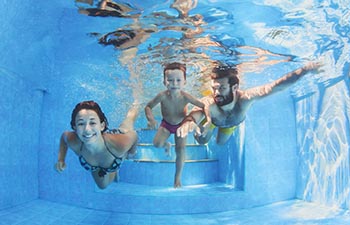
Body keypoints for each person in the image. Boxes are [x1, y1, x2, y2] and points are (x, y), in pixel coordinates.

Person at [176, 61, 322, 145]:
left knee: (220, 143)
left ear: (235, 87)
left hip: (231, 124)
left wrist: (305, 70)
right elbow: (194, 114)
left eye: (222, 88)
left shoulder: (245, 99)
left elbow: (276, 86)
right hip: (213, 120)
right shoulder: (210, 103)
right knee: (201, 141)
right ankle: (211, 125)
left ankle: (219, 128)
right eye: (214, 88)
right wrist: (188, 123)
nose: (216, 93)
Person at [144, 62, 211, 188]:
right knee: (157, 144)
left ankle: (177, 179)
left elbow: (204, 105)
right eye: (170, 80)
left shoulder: (186, 97)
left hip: (181, 125)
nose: (174, 83)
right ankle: (166, 144)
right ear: (164, 82)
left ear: (184, 81)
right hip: (166, 124)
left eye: (178, 80)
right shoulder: (162, 96)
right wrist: (151, 119)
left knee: (180, 150)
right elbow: (148, 106)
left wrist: (208, 119)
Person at [55, 100, 138, 189]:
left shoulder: (120, 143)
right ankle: (114, 170)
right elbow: (64, 138)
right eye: (81, 123)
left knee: (128, 121)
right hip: (97, 164)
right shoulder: (74, 141)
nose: (87, 129)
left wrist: (131, 152)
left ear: (102, 126)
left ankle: (137, 101)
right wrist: (61, 159)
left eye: (92, 123)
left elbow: (134, 136)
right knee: (102, 186)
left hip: (114, 145)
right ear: (75, 128)